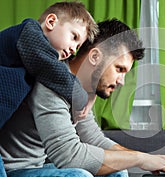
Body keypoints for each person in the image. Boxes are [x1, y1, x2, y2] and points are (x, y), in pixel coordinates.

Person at [0, 19, 165, 177]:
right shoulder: (52, 84)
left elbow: (93, 139)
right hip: (13, 175)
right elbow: (69, 156)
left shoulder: (77, 88)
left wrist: (145, 159)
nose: (121, 81)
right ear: (95, 56)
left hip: (37, 169)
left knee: (117, 174)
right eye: (119, 69)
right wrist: (139, 159)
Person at [0, 1, 98, 129]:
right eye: (74, 37)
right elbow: (56, 74)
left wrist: (92, 93)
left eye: (78, 47)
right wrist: (83, 98)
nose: (74, 49)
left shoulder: (46, 54)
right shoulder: (29, 33)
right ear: (51, 22)